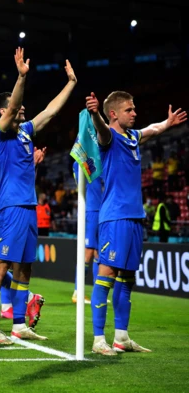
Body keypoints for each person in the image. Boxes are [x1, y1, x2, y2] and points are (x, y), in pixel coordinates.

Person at [0, 48, 77, 344]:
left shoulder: (24, 132)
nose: (22, 109)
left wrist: (71, 83)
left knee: (25, 266)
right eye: (15, 107)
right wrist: (22, 77)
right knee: (0, 265)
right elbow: (13, 108)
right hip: (9, 207)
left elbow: (50, 111)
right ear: (3, 111)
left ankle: (20, 324)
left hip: (28, 206)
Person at [87, 90, 186, 355]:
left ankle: (121, 337)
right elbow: (101, 130)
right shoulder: (108, 137)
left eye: (134, 109)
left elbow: (151, 130)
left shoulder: (132, 136)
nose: (134, 113)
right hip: (115, 217)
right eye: (129, 110)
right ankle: (98, 340)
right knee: (106, 276)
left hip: (134, 218)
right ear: (114, 114)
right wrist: (95, 114)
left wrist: (166, 124)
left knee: (127, 278)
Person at [71, 164, 103, 304]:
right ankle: (78, 292)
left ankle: (97, 294)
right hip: (91, 208)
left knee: (97, 252)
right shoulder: (83, 162)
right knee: (88, 251)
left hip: (97, 208)